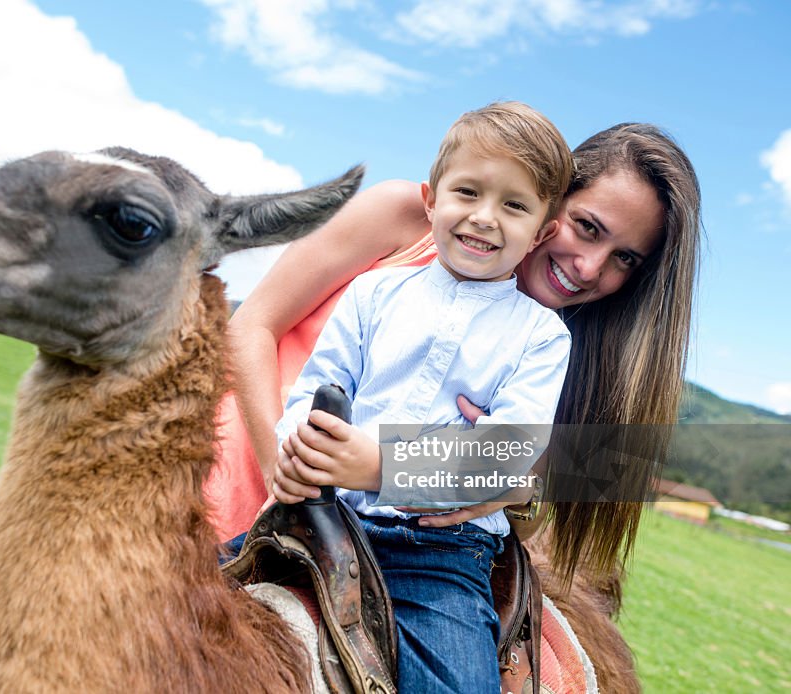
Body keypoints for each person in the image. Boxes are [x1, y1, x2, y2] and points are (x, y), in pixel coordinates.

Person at [208, 118, 700, 592]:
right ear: (552, 208)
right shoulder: (403, 217)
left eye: (625, 259)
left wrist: (508, 490)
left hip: (382, 552)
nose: (590, 268)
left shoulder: (548, 348)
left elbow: (519, 519)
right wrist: (289, 478)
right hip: (245, 487)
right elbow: (252, 324)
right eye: (587, 227)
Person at [267, 101, 573, 692]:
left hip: (436, 554)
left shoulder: (541, 337)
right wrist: (298, 450)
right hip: (326, 517)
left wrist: (380, 465)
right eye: (468, 192)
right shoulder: (373, 292)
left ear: (541, 231)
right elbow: (317, 390)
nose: (485, 218)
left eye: (514, 205)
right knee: (186, 604)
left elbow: (503, 456)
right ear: (431, 198)